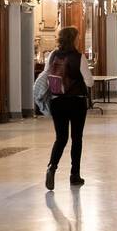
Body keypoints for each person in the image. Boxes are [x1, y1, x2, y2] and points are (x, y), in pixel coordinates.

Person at [38, 26, 94, 189]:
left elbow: (46, 74)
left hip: (57, 101)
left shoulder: (52, 55)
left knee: (61, 138)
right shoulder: (79, 57)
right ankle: (74, 175)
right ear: (74, 39)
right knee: (77, 138)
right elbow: (89, 81)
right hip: (76, 102)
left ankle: (51, 167)